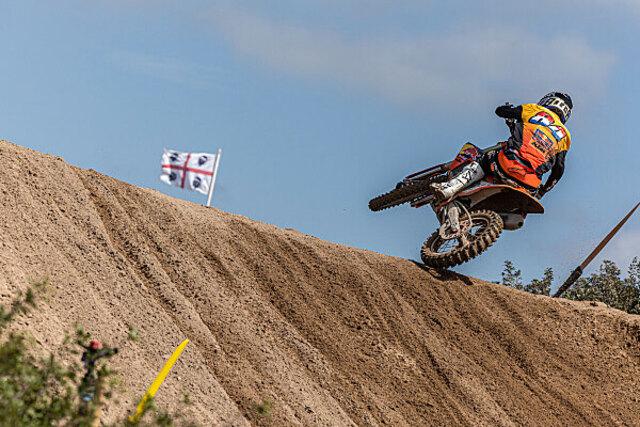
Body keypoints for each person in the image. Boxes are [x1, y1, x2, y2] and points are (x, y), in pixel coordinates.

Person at [431, 92, 573, 200]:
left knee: (484, 158)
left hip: (509, 164)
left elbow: (501, 111)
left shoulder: (534, 110)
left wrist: (507, 108)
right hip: (531, 183)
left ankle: (449, 188)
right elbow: (558, 169)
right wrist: (543, 191)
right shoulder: (565, 136)